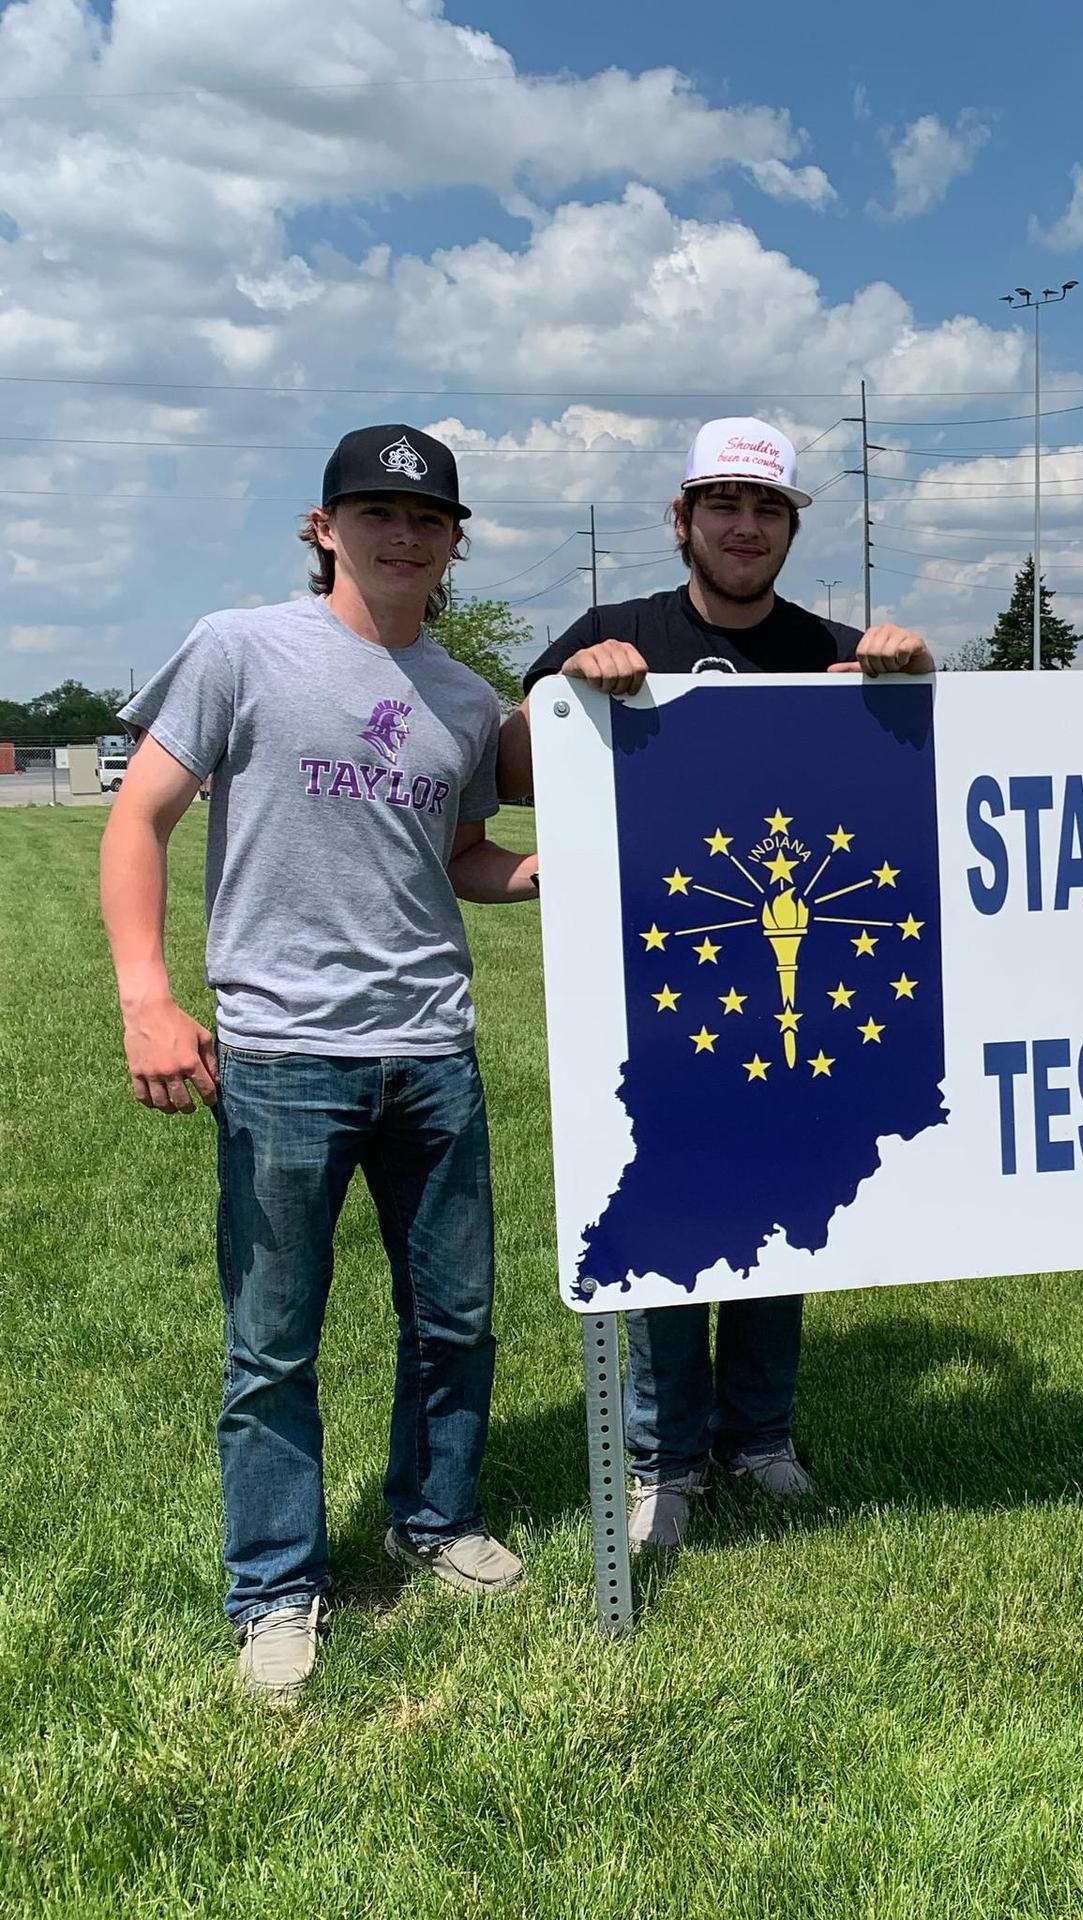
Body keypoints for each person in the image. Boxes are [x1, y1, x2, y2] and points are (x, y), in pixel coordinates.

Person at [101, 425, 538, 1707]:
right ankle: (275, 1590)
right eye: (374, 511)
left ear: (455, 540)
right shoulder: (242, 649)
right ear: (323, 525)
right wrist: (147, 996)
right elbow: (141, 815)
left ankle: (432, 1516)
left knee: (455, 1317)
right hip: (285, 1054)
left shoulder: (463, 700)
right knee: (274, 1343)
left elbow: (455, 857)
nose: (401, 534)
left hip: (431, 1052)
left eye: (427, 518)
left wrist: (544, 877)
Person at [498, 416, 933, 1554]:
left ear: (791, 526)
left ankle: (760, 1435)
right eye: (724, 504)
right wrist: (571, 689)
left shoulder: (834, 647)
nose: (746, 525)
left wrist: (910, 688)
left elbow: (915, 780)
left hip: (798, 975)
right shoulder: (613, 632)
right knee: (671, 1202)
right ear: (683, 519)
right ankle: (664, 1456)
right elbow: (512, 766)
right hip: (660, 987)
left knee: (787, 1194)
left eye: (768, 507)